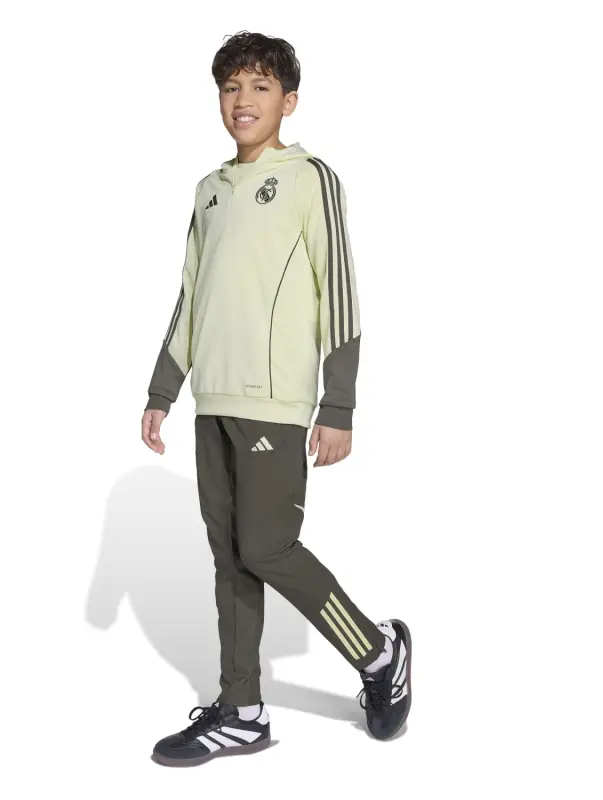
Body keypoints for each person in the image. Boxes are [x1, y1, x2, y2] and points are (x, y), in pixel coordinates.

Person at [141, 31, 411, 766]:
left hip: (275, 402)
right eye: (231, 86)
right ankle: (241, 711)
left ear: (288, 101)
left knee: (266, 548)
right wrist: (163, 390)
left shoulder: (308, 178)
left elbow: (340, 292)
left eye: (260, 86)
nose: (243, 100)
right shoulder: (209, 190)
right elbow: (190, 297)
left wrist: (338, 404)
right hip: (213, 401)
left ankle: (377, 651)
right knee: (231, 557)